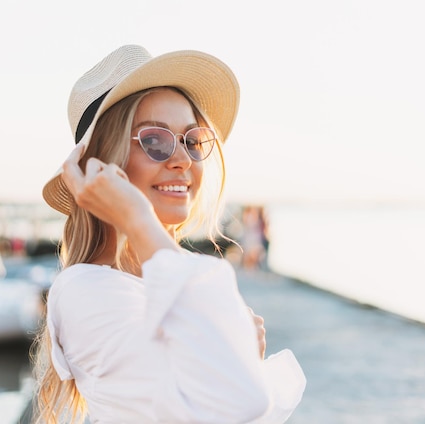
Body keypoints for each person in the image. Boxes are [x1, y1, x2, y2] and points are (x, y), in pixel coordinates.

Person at [32, 45, 306, 424]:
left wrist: (237, 350)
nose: (182, 160)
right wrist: (137, 219)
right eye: (155, 141)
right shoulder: (86, 292)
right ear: (105, 164)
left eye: (192, 141)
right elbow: (239, 399)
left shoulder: (170, 272)